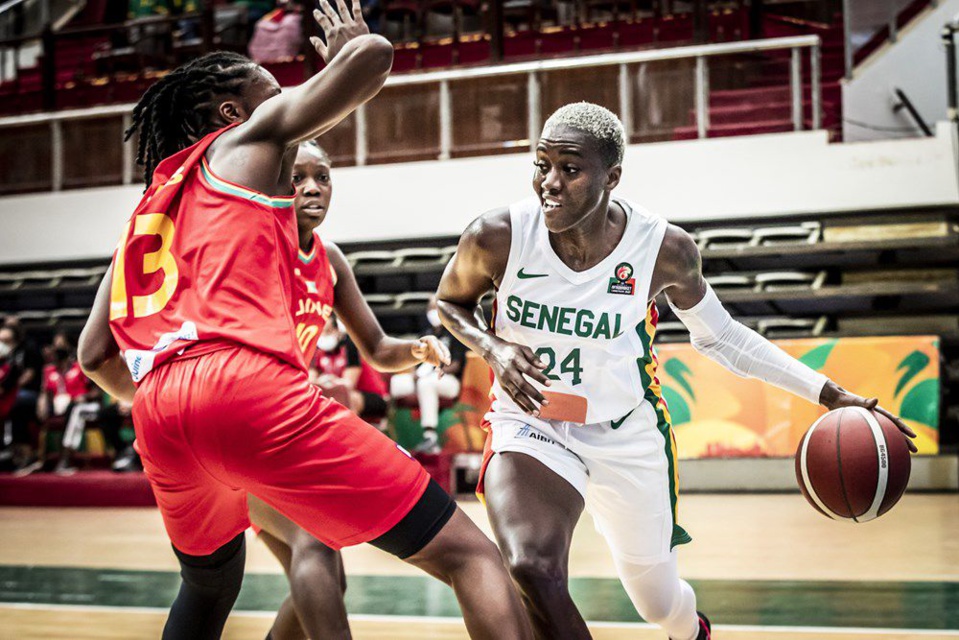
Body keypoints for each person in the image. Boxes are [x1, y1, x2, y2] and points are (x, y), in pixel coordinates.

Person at [77, 4, 530, 639]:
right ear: (233, 115)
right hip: (247, 389)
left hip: (158, 408)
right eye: (273, 94)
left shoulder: (148, 213)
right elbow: (373, 62)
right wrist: (352, 47)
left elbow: (93, 354)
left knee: (208, 584)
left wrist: (176, 403)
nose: (286, 100)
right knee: (470, 554)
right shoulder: (242, 145)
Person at [435, 101, 918, 640]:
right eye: (541, 164)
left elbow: (724, 337)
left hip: (626, 435)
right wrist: (491, 347)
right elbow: (448, 304)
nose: (549, 182)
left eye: (569, 170)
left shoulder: (662, 248)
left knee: (658, 601)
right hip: (533, 425)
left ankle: (690, 631)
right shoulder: (497, 235)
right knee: (532, 567)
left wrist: (829, 394)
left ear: (611, 176)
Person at [249, 139, 457, 640]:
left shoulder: (331, 259)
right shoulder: (255, 245)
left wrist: (420, 349)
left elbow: (379, 348)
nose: (311, 188)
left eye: (322, 177)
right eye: (297, 178)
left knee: (327, 574)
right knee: (316, 548)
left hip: (286, 427)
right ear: (275, 184)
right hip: (248, 424)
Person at [390, 295, 468, 453]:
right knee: (396, 383)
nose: (433, 312)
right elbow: (416, 363)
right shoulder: (426, 333)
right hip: (423, 378)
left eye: (436, 308)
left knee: (427, 383)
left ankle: (430, 436)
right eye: (430, 309)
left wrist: (434, 371)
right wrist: (414, 373)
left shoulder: (455, 332)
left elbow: (456, 365)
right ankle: (386, 429)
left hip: (449, 381)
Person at [311, 317, 390, 420]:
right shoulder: (316, 351)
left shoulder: (350, 347)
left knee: (345, 398)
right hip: (336, 395)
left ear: (338, 331)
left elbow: (348, 384)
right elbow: (310, 382)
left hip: (372, 396)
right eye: (321, 332)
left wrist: (327, 379)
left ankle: (351, 433)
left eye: (328, 331)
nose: (324, 336)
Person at [0, 321, 44, 473]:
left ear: (15, 338)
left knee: (17, 404)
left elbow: (29, 375)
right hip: (8, 393)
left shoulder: (28, 349)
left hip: (29, 392)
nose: (3, 344)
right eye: (1, 341)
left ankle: (25, 455)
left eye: (6, 341)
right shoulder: (4, 355)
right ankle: (8, 451)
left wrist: (8, 388)